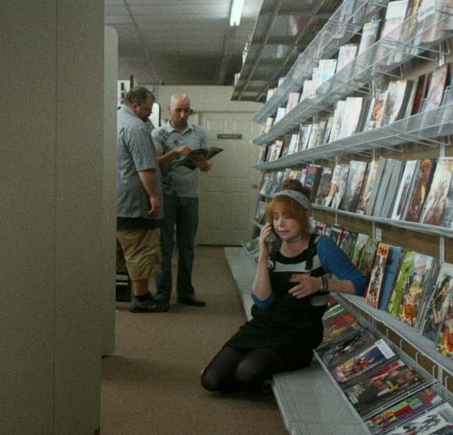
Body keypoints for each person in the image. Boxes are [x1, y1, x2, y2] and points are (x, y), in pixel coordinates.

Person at [200, 179, 368, 393]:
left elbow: (361, 284)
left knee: (245, 373)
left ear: (305, 216)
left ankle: (262, 370)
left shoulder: (321, 246)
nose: (280, 224)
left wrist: (321, 283)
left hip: (298, 333)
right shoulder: (274, 248)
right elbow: (262, 301)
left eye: (288, 217)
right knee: (211, 380)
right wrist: (263, 256)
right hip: (263, 326)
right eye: (276, 217)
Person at [152, 93, 211, 307]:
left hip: (190, 196)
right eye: (179, 110)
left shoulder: (200, 133)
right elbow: (155, 164)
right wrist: (176, 152)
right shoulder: (158, 133)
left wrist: (205, 165)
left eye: (187, 110)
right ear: (169, 109)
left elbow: (207, 166)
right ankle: (162, 294)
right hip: (166, 195)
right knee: (165, 247)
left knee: (187, 248)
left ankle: (186, 293)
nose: (184, 114)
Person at [116, 86, 166, 313]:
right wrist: (154, 196)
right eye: (147, 109)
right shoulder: (136, 127)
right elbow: (145, 166)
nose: (149, 114)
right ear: (135, 106)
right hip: (135, 203)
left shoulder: (113, 120)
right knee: (140, 251)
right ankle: (142, 299)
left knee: (119, 252)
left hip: (116, 202)